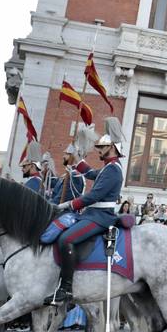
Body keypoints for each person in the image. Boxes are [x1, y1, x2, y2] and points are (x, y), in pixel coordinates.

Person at [45, 129, 124, 305]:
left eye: (102, 147)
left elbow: (93, 196)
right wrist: (77, 159)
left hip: (101, 216)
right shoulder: (109, 168)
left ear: (111, 147)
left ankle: (66, 288)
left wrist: (68, 204)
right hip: (93, 214)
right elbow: (90, 173)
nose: (99, 150)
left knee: (66, 239)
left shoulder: (113, 170)